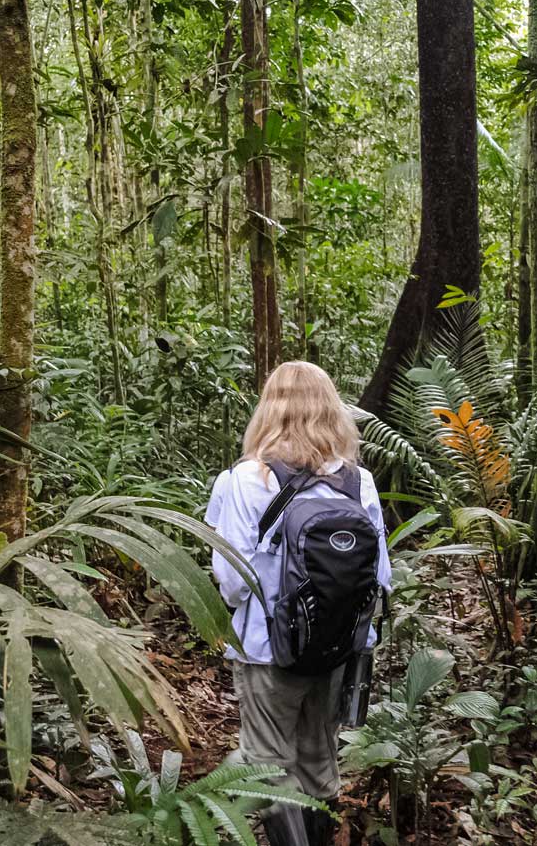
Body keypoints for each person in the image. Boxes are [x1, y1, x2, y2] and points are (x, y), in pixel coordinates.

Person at [206, 361, 392, 846]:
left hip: (268, 649)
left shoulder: (242, 480)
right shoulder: (358, 482)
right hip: (338, 649)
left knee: (268, 768)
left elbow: (231, 583)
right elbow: (380, 577)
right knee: (318, 759)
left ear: (269, 410)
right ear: (332, 411)